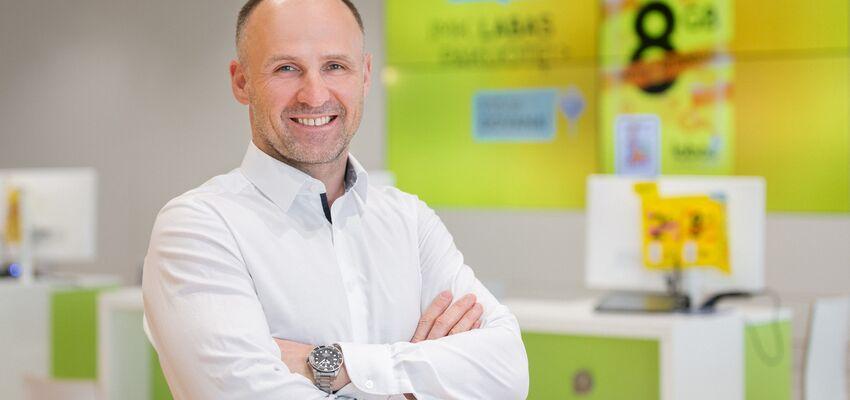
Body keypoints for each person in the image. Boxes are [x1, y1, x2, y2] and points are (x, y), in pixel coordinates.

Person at [142, 0, 529, 398]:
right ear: (241, 82)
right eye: (286, 68)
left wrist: (332, 364)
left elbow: (507, 373)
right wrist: (412, 380)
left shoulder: (409, 221)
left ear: (364, 75)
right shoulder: (197, 228)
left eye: (335, 66)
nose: (314, 95)